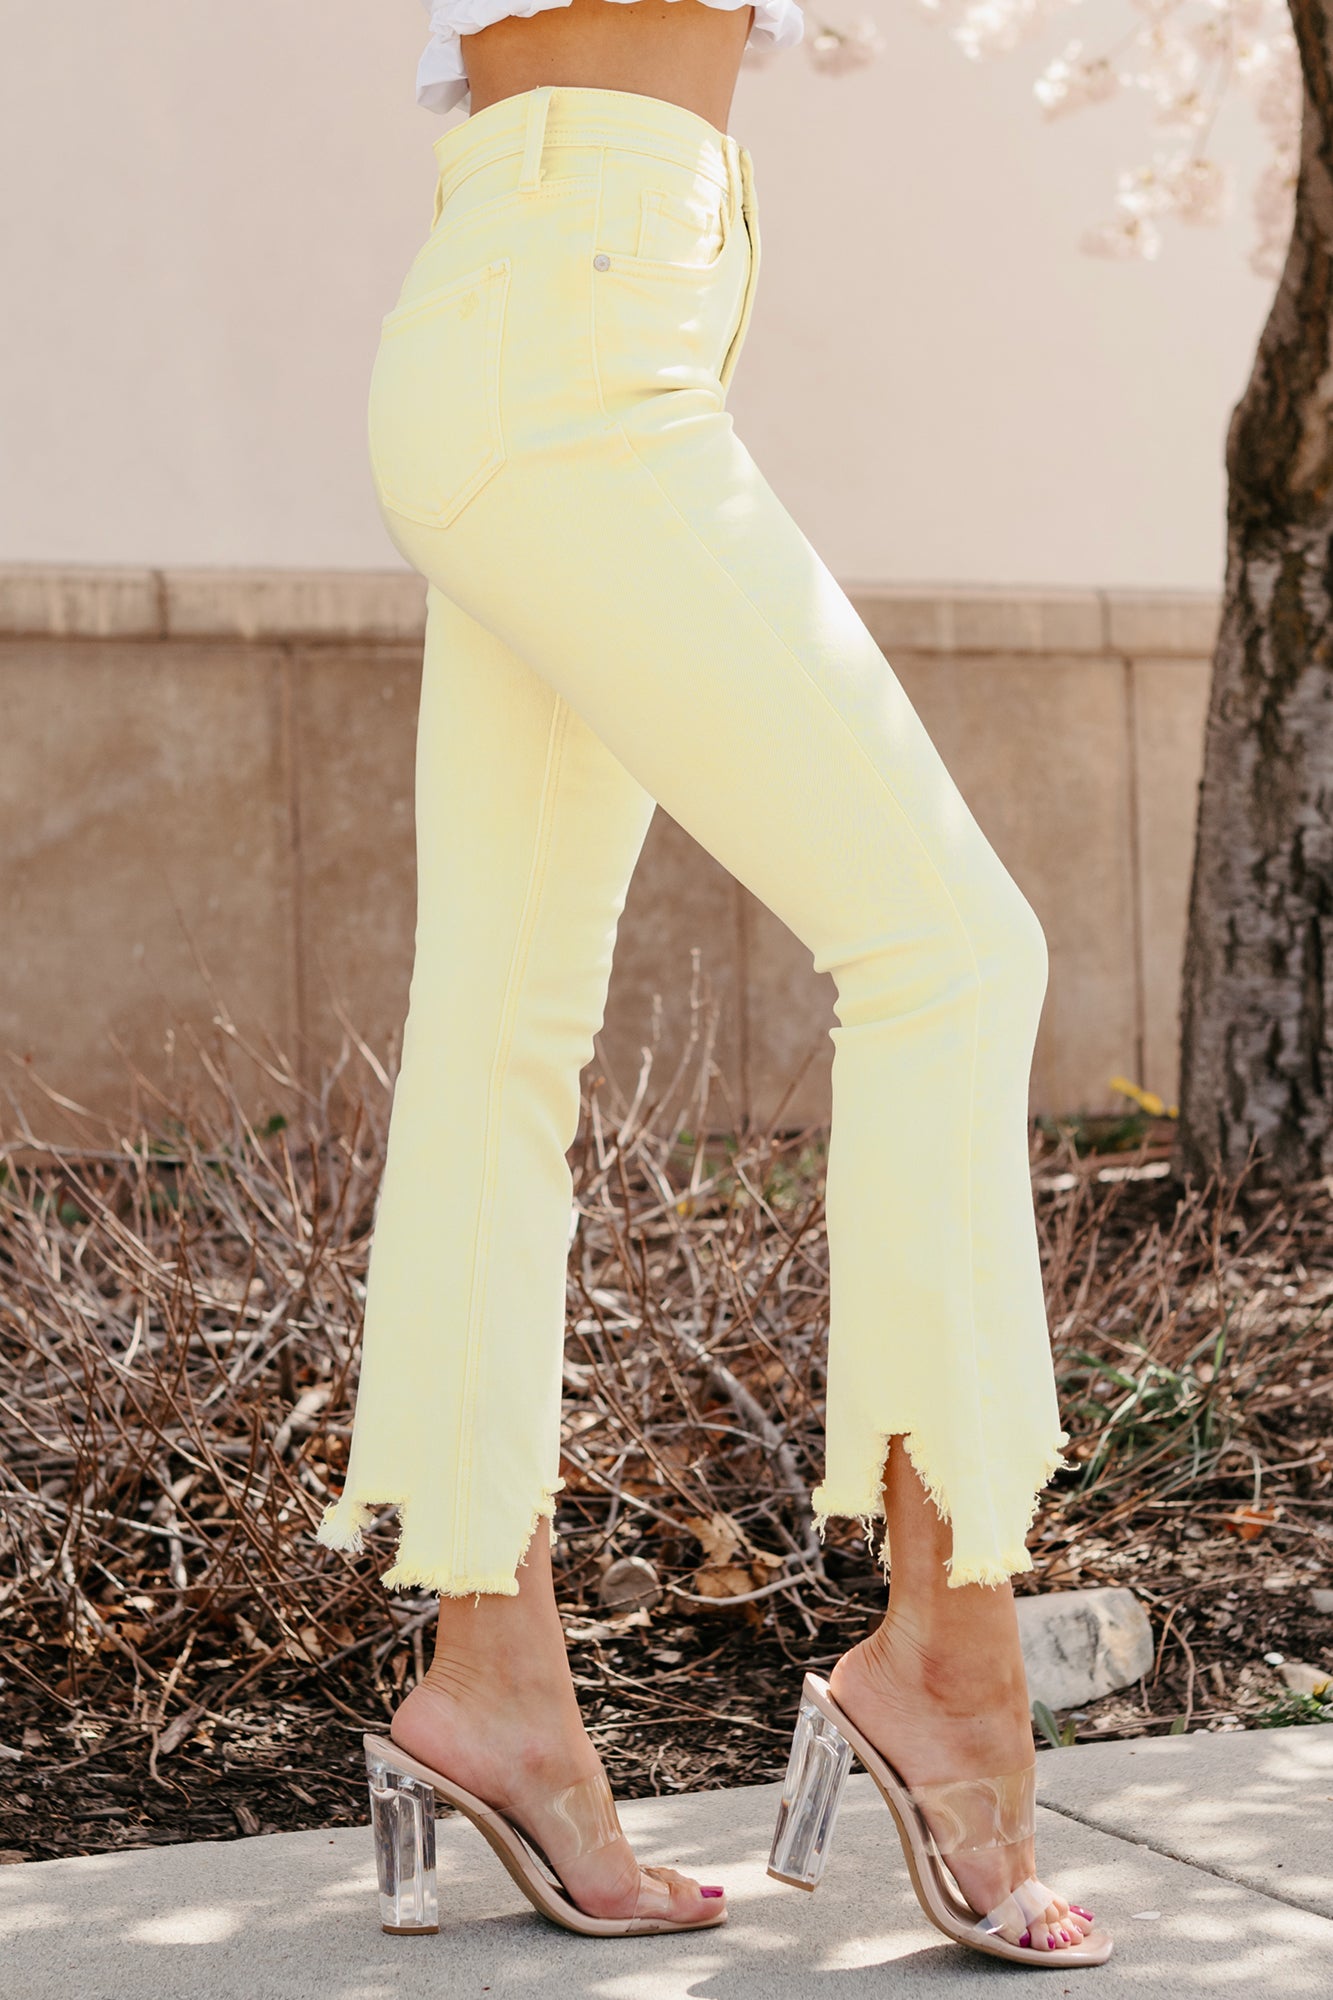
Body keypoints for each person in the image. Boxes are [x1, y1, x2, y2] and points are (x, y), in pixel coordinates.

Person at [316, 0, 1112, 1966]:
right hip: (570, 319)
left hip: (562, 296)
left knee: (497, 1040)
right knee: (950, 952)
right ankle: (953, 1662)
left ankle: (491, 1677)